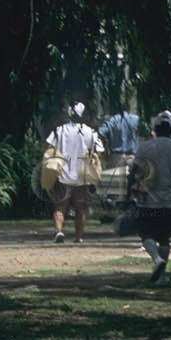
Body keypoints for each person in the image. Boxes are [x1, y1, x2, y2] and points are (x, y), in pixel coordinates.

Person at [130, 112, 171, 286]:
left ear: (155, 129)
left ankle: (156, 259)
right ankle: (162, 276)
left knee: (145, 234)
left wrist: (128, 194)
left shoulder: (144, 147)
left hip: (148, 200)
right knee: (165, 238)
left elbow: (133, 173)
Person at [46, 103, 105, 244]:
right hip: (82, 176)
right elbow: (100, 151)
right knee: (80, 209)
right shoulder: (91, 132)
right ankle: (78, 237)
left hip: (62, 175)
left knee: (60, 207)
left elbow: (49, 147)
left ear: (69, 114)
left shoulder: (58, 131)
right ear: (83, 115)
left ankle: (59, 231)